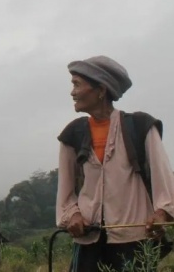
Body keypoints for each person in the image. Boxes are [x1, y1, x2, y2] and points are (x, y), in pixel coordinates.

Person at [56, 55, 174, 271]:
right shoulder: (72, 135)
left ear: (101, 90)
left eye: (77, 84)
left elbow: (164, 178)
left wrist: (162, 212)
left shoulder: (141, 127)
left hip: (134, 241)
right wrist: (72, 214)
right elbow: (65, 193)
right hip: (88, 243)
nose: (72, 92)